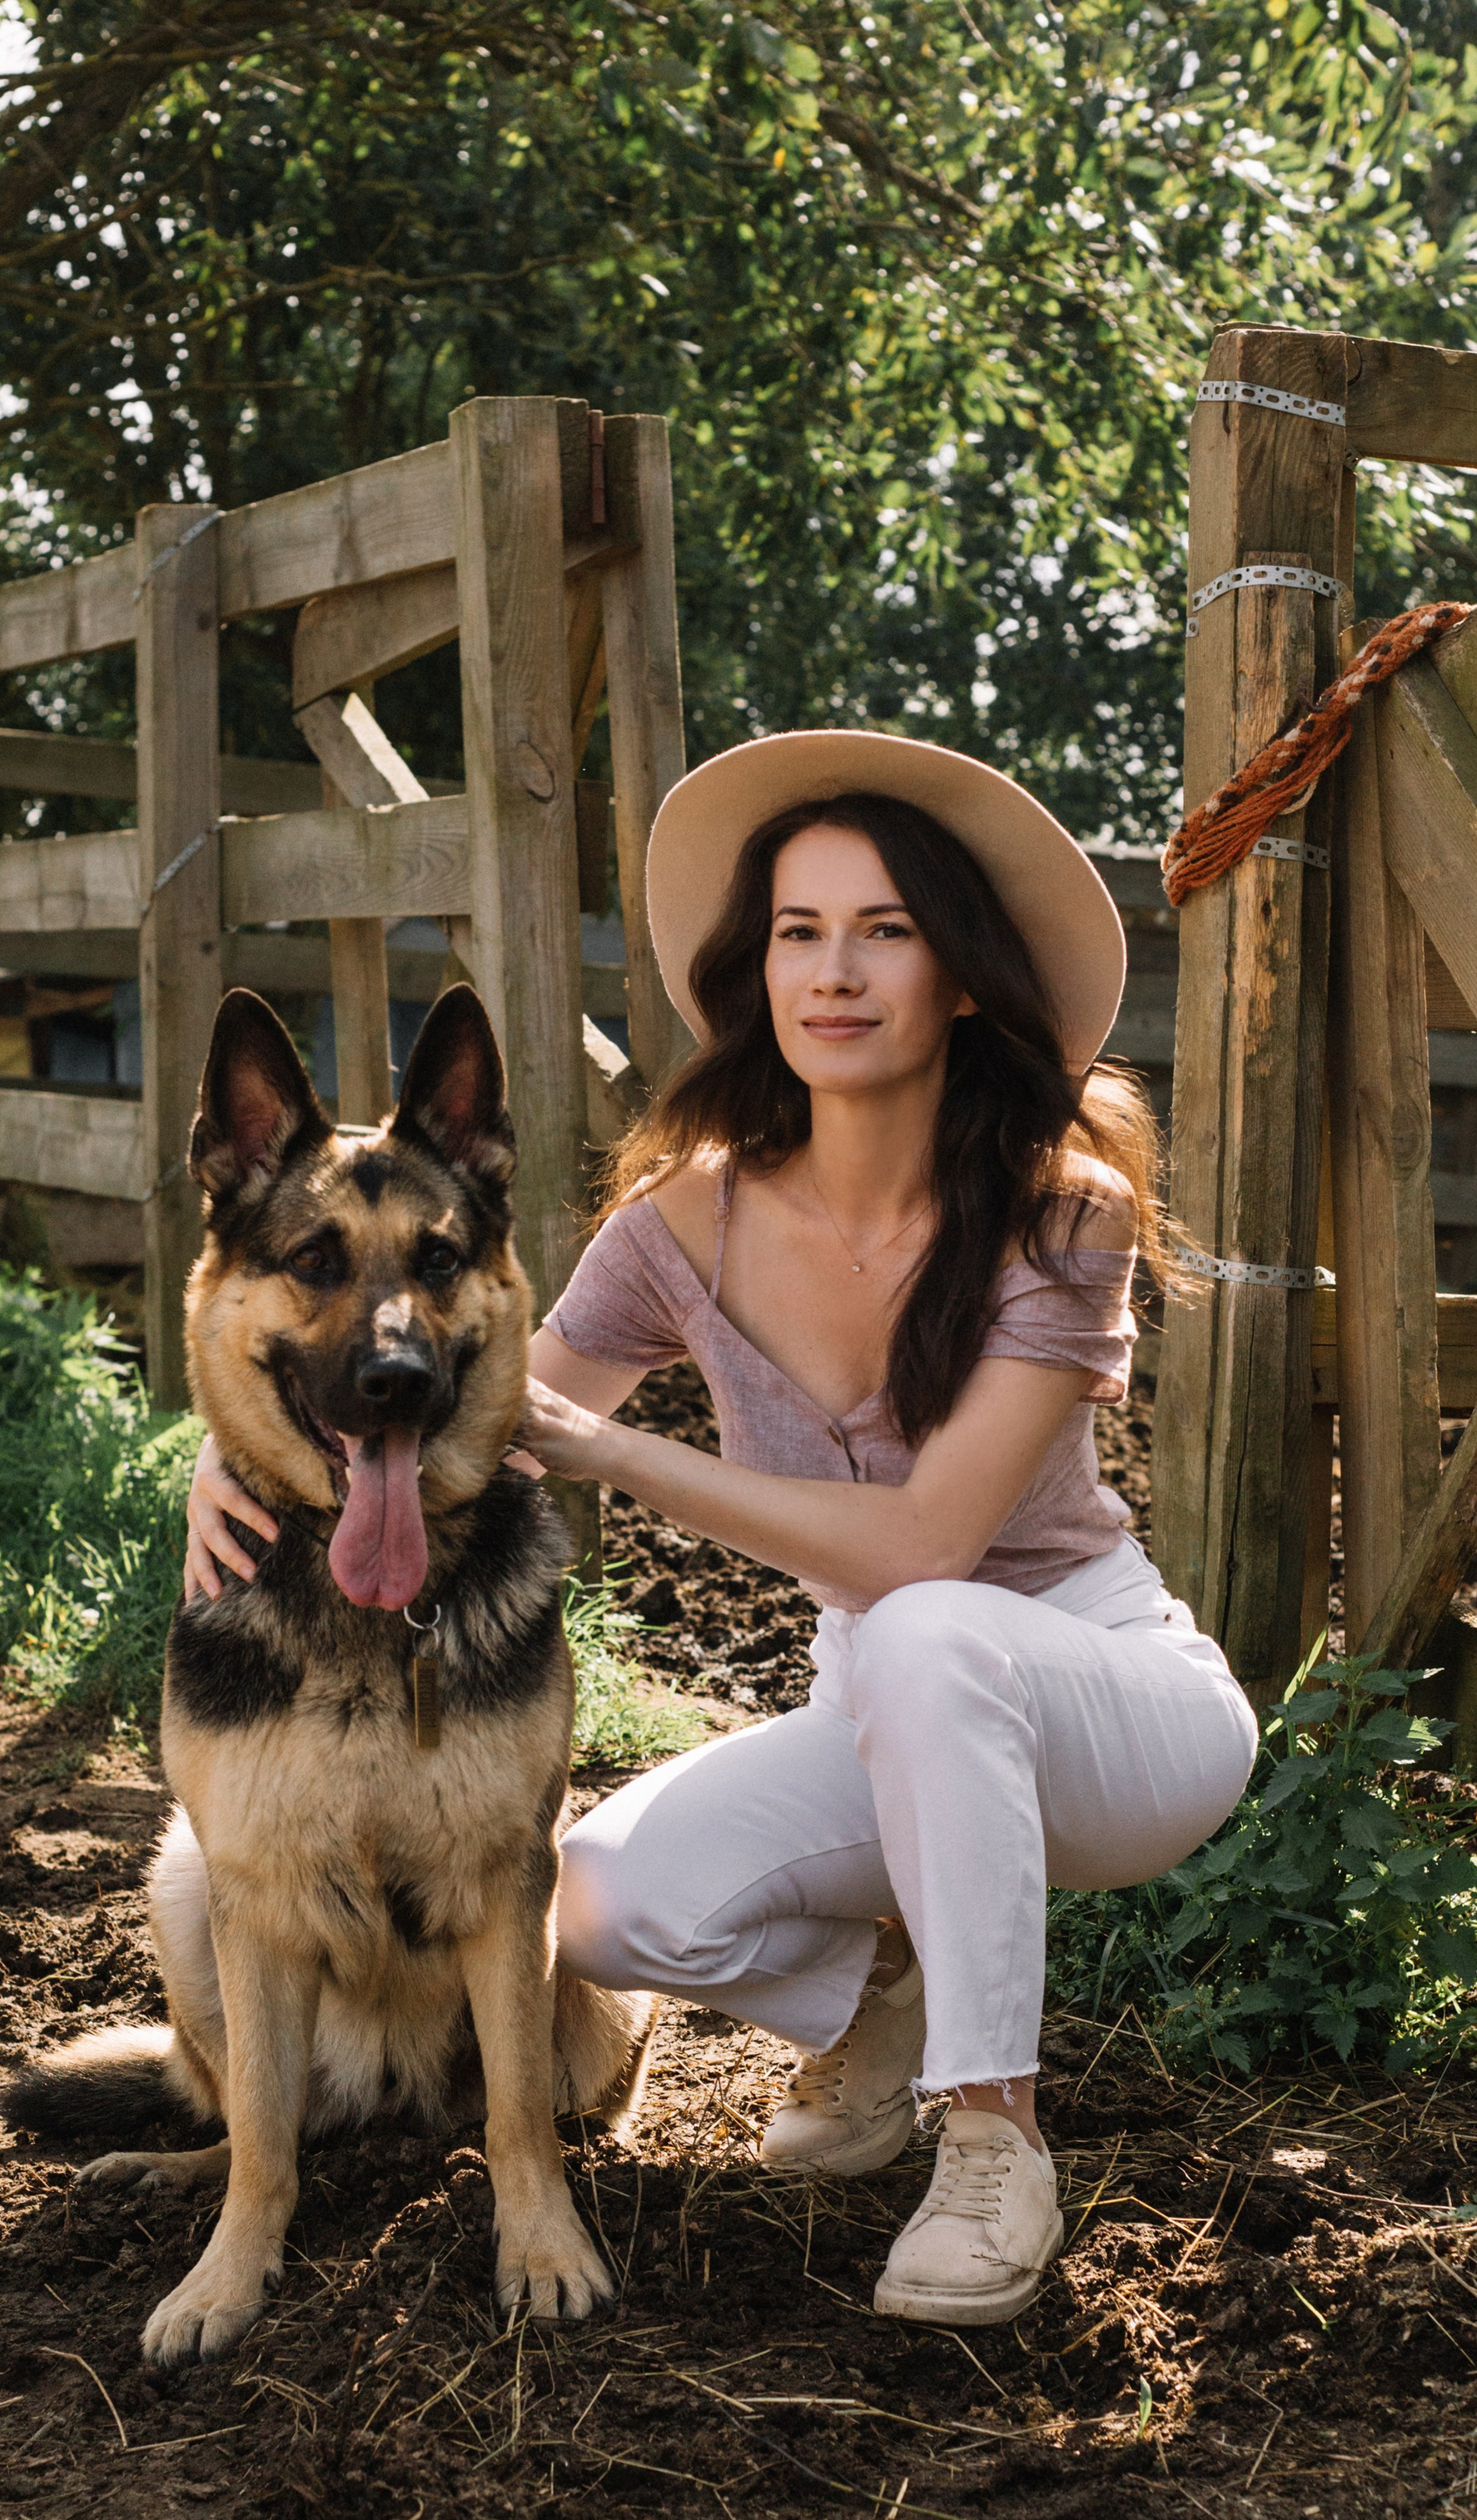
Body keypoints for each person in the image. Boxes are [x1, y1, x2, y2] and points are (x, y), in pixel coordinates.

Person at [185, 730, 1256, 2328]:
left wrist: (625, 1455)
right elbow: (480, 1411)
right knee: (604, 1901)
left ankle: (994, 2139)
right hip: (887, 1703)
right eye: (798, 932)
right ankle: (889, 1998)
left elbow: (920, 1546)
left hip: (1104, 1692)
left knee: (925, 1625)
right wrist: (258, 1461)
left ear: (960, 972)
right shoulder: (685, 1216)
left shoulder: (1061, 1205)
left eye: (885, 930)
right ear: (757, 971)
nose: (835, 972)